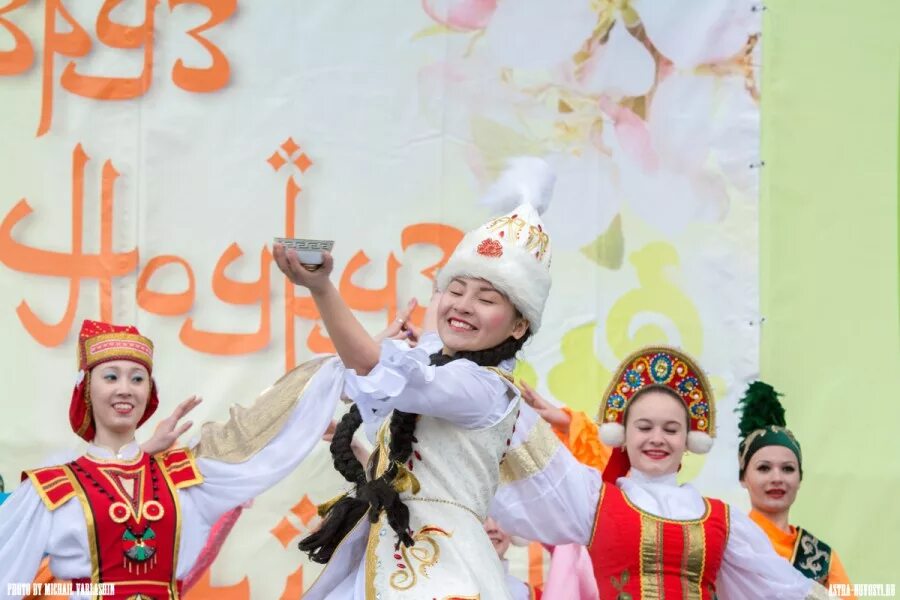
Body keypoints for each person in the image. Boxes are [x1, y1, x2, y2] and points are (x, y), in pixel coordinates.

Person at [273, 157, 556, 599]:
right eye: (455, 290)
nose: (463, 305)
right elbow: (371, 373)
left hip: (444, 571)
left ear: (519, 325)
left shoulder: (483, 390)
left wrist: (323, 289)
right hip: (384, 558)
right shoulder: (428, 362)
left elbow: (375, 369)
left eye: (486, 298)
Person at [0, 318, 345, 599]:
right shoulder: (50, 491)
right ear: (86, 389)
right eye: (110, 377)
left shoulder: (185, 479)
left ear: (149, 392)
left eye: (137, 379)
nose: (125, 388)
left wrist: (350, 360)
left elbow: (249, 432)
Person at [492, 346, 831, 599]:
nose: (657, 439)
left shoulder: (723, 521)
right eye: (644, 427)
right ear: (624, 436)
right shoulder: (594, 501)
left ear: (688, 440)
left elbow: (780, 588)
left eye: (671, 429)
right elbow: (536, 463)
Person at [737, 381, 855, 598]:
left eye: (788, 469)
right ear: (743, 477)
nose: (777, 478)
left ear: (800, 478)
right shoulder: (730, 544)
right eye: (764, 468)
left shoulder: (821, 559)